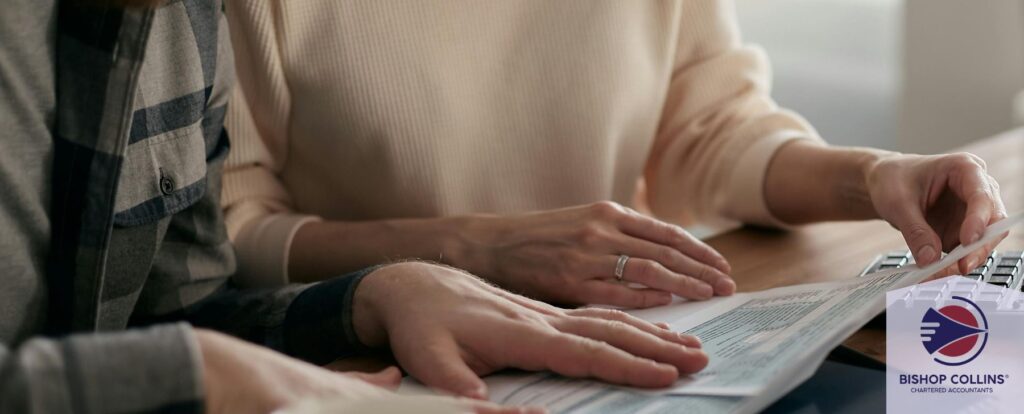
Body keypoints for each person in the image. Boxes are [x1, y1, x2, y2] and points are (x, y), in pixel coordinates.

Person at [0, 0, 709, 412]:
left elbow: (173, 313)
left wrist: (376, 295)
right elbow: (182, 353)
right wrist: (207, 371)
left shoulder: (180, 22)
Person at [222, 0, 1007, 308]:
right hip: (372, 368)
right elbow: (224, 230)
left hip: (607, 340)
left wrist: (873, 178)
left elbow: (710, 131)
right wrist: (473, 249)